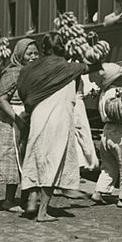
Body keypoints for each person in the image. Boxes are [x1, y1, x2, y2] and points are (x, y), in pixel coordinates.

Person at [16, 32, 97, 222]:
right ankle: (43, 212)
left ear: (43, 49)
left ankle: (31, 199)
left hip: (37, 116)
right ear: (63, 48)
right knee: (54, 160)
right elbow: (95, 66)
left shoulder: (30, 69)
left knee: (35, 157)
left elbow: (23, 91)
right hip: (59, 119)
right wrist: (95, 47)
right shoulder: (69, 68)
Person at [0, 38, 39, 212]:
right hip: (12, 120)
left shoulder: (34, 71)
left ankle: (25, 199)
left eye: (36, 53)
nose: (33, 57)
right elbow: (1, 99)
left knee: (28, 158)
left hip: (28, 118)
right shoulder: (13, 73)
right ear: (19, 54)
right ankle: (8, 200)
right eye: (29, 53)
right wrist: (16, 117)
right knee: (12, 159)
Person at [91, 61, 122, 207]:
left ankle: (100, 191)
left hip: (106, 131)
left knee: (108, 165)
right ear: (117, 79)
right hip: (119, 130)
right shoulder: (119, 92)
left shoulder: (104, 94)